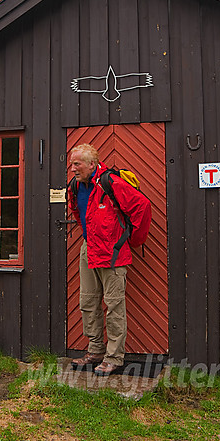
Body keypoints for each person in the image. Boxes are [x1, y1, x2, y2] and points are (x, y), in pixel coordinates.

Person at [67, 144, 151, 376]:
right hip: (89, 249)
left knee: (114, 306)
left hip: (113, 251)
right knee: (88, 302)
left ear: (92, 164)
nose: (72, 168)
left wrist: (131, 239)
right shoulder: (75, 186)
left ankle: (114, 357)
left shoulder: (110, 183)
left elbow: (141, 206)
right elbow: (77, 211)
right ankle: (95, 350)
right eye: (72, 163)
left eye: (77, 164)